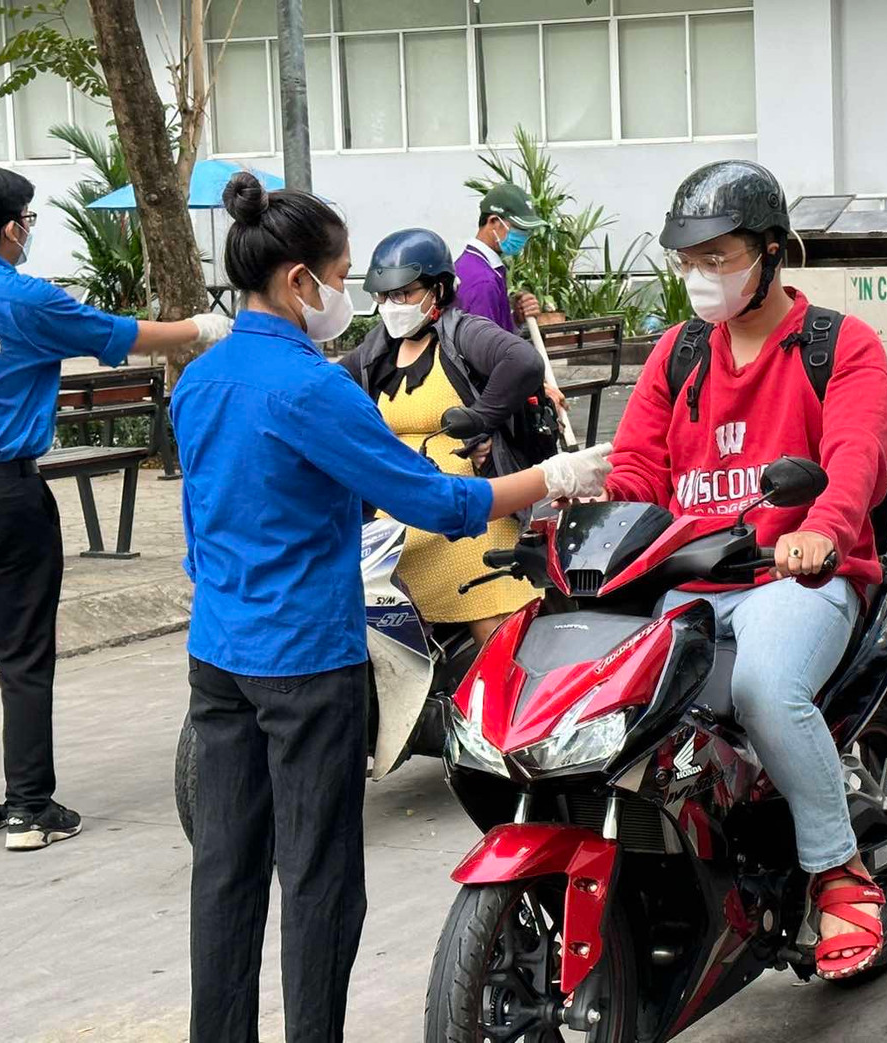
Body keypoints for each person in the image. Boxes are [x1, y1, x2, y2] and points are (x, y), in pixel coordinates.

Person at [172, 172, 612, 1043]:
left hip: (218, 653)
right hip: (305, 660)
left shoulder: (202, 378)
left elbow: (200, 524)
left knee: (223, 869)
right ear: (301, 281)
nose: (354, 300)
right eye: (341, 277)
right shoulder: (313, 387)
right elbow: (436, 503)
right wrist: (556, 474)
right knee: (318, 876)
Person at [604, 160, 887, 980]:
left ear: (772, 253)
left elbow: (855, 459)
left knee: (766, 686)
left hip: (797, 578)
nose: (702, 275)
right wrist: (589, 525)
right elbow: (635, 468)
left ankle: (839, 870)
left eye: (720, 256)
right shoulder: (679, 351)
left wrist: (822, 532)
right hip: (690, 577)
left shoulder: (842, 345)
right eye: (689, 259)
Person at [0, 167, 231, 851]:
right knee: (23, 651)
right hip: (9, 493)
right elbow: (122, 332)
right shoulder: (25, 301)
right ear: (12, 227)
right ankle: (29, 808)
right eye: (29, 221)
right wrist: (203, 326)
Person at [342, 228, 545, 644]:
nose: (391, 306)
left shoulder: (463, 333)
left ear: (438, 288)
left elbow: (523, 361)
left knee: (492, 626)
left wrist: (481, 418)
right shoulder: (377, 349)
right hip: (397, 514)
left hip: (467, 509)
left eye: (403, 294)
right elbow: (326, 386)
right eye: (383, 297)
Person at [454, 182, 545, 334]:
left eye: (526, 232)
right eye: (518, 228)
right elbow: (485, 350)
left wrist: (515, 318)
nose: (523, 236)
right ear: (493, 222)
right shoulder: (483, 281)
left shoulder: (473, 266)